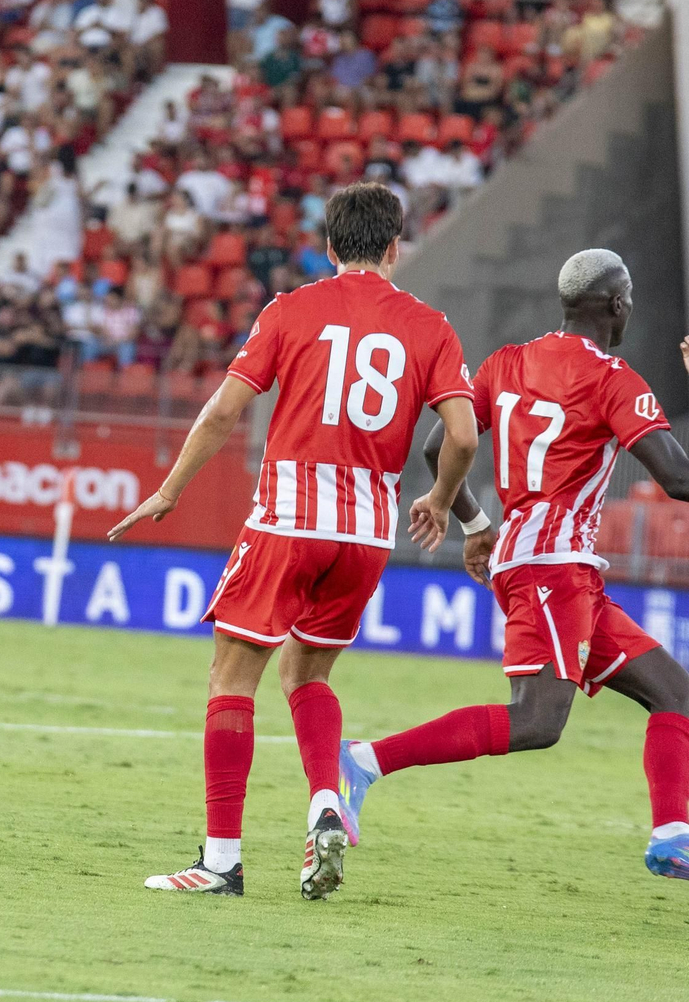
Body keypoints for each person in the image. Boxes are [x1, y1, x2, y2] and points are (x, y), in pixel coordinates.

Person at [109, 182, 478, 898]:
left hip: (288, 518)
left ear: (330, 246)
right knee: (309, 677)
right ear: (396, 249)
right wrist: (437, 498)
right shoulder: (430, 325)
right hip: (367, 533)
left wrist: (170, 489)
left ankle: (220, 861)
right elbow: (461, 434)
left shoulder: (293, 309)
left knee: (231, 679)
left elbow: (223, 412)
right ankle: (324, 800)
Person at [340, 250, 689, 882]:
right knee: (536, 721)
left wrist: (473, 523)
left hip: (550, 565)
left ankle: (671, 835)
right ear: (617, 305)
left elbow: (435, 443)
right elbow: (679, 478)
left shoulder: (507, 362)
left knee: (676, 695)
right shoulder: (615, 380)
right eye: (630, 298)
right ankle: (365, 760)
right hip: (551, 569)